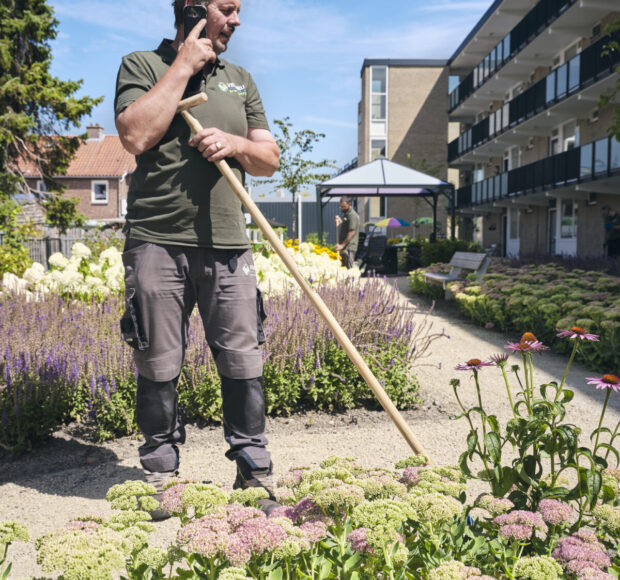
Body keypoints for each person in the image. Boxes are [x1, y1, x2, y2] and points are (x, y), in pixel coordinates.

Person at [114, 0, 280, 518]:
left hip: (229, 244)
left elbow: (270, 159)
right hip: (156, 240)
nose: (236, 20)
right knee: (158, 362)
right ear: (191, 7)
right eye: (226, 8)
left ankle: (253, 474)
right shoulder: (142, 65)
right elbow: (134, 134)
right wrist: (183, 66)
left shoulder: (241, 79)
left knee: (243, 360)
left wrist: (232, 142)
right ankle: (161, 477)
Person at [334, 196, 360, 268]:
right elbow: (347, 225)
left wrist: (342, 245)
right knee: (344, 270)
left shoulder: (352, 215)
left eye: (344, 207)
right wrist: (340, 221)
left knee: (348, 270)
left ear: (350, 204)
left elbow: (351, 232)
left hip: (349, 248)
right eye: (341, 207)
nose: (342, 209)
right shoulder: (347, 214)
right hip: (345, 248)